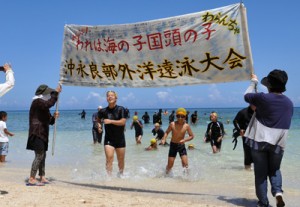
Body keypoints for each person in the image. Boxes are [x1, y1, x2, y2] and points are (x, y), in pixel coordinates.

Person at [244, 70, 293, 207]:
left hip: (260, 142)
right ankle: (278, 194)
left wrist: (253, 82)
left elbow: (246, 96)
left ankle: (263, 203)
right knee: (275, 169)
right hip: (278, 143)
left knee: (260, 174)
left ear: (269, 85)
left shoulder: (263, 98)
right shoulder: (289, 103)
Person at [26, 84, 62, 186]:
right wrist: (56, 93)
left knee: (43, 156)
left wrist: (54, 117)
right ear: (43, 93)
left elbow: (50, 121)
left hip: (43, 133)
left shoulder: (43, 106)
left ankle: (42, 177)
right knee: (39, 155)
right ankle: (32, 178)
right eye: (49, 93)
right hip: (36, 133)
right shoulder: (37, 101)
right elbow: (49, 104)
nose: (50, 96)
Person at [98, 91, 127, 176]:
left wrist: (110, 121)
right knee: (109, 158)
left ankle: (121, 175)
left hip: (120, 139)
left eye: (112, 96)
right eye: (108, 96)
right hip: (108, 139)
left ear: (116, 98)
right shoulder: (103, 111)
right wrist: (99, 126)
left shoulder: (121, 109)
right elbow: (98, 119)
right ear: (106, 98)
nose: (110, 97)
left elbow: (123, 122)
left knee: (120, 160)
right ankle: (109, 177)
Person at [161, 108, 194, 174]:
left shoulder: (186, 126)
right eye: (178, 116)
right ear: (176, 116)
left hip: (181, 145)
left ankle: (187, 179)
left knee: (185, 164)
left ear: (185, 117)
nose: (180, 118)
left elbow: (191, 136)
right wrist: (164, 139)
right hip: (173, 145)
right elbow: (167, 132)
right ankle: (165, 175)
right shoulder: (172, 124)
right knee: (170, 165)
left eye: (182, 116)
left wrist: (184, 140)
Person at [233, 105, 255, 170]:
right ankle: (247, 174)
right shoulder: (243, 112)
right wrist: (239, 130)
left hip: (258, 136)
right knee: (247, 154)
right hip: (246, 135)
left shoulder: (260, 111)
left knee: (258, 154)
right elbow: (235, 121)